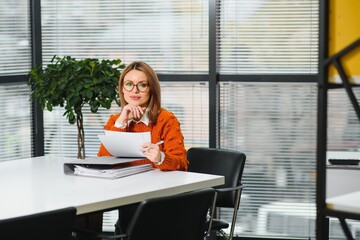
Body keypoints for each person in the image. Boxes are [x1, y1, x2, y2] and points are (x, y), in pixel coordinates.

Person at [98, 61, 189, 233]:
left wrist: (161, 158)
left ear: (151, 89)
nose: (135, 91)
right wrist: (121, 123)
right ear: (122, 89)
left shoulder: (166, 120)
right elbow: (103, 160)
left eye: (142, 85)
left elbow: (182, 164)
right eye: (129, 84)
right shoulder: (115, 120)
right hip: (128, 195)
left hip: (159, 199)